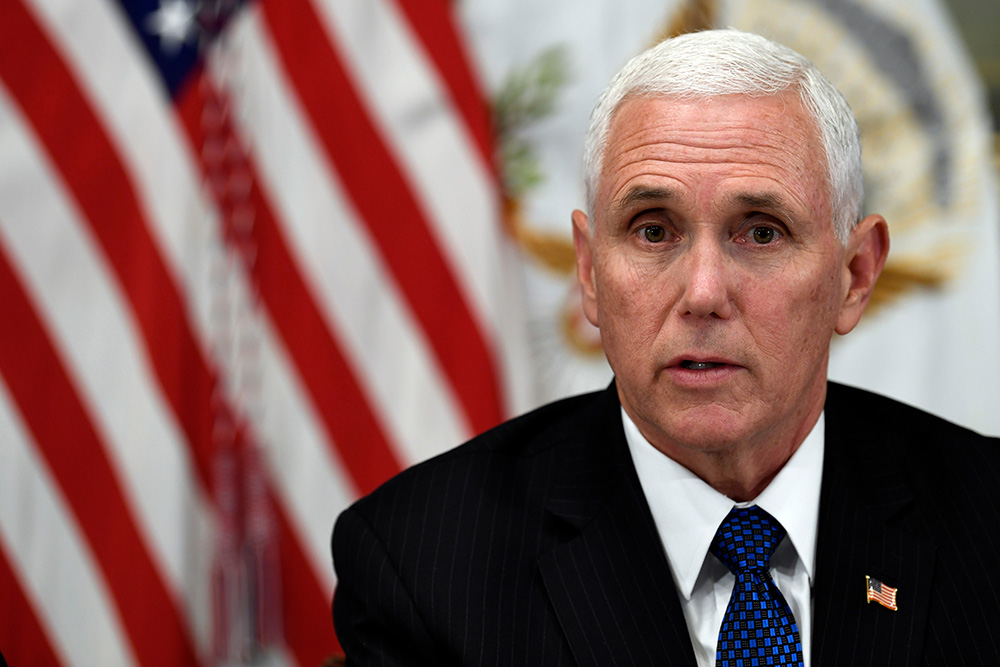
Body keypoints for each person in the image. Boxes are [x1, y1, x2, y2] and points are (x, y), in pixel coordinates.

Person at [331, 29, 1000, 666]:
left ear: (854, 276)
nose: (703, 292)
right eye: (654, 231)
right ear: (590, 272)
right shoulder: (423, 567)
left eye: (760, 233)